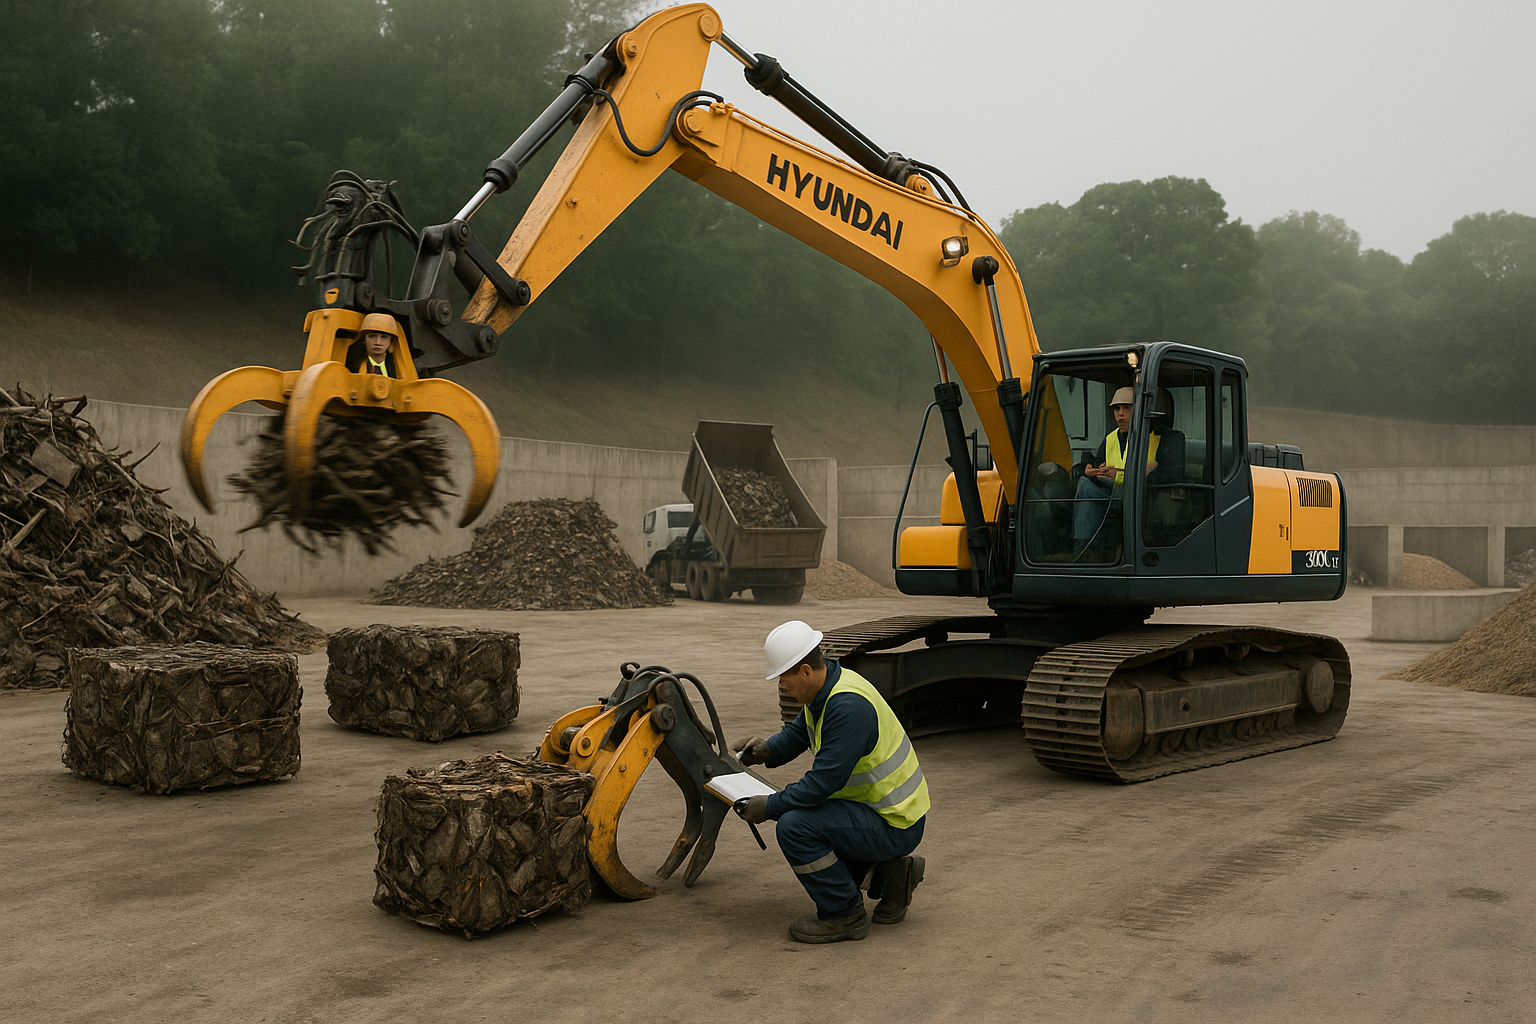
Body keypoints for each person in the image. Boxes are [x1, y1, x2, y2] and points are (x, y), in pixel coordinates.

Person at [733, 620, 929, 944]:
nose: (782, 685)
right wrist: (768, 750)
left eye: (785, 676)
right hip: (883, 812)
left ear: (806, 671)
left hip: (895, 822)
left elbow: (820, 784)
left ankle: (844, 914)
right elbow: (800, 732)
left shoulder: (848, 707)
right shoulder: (829, 688)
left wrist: (769, 807)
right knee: (811, 819)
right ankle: (893, 875)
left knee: (796, 826)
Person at [1071, 386, 1161, 552]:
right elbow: (1099, 466)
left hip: (1137, 500)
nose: (1120, 414)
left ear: (1140, 409)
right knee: (1084, 482)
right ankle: (1085, 548)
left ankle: (1080, 549)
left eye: (1126, 408)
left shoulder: (1154, 439)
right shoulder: (1109, 439)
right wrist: (1092, 473)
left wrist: (1118, 476)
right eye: (1116, 409)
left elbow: (1162, 476)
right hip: (1112, 495)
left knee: (1085, 489)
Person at [344, 313, 401, 377]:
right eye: (372, 336)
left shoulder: (397, 369)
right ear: (364, 339)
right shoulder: (352, 366)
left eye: (384, 337)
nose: (378, 342)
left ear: (391, 341)